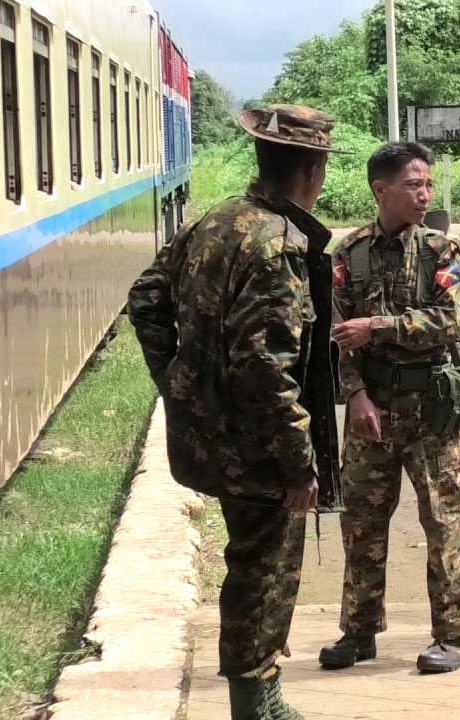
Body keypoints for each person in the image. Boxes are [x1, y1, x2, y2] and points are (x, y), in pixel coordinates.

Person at [126, 104, 341, 720]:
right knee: (264, 570)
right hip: (259, 449)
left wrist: (181, 385)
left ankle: (263, 695)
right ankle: (256, 703)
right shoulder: (276, 245)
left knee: (251, 561)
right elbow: (265, 368)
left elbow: (145, 299)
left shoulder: (217, 220)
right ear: (313, 168)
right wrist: (300, 460)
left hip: (214, 439)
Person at [319, 141, 460, 674]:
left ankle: (453, 637)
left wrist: (381, 327)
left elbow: (450, 321)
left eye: (428, 184)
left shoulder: (440, 252)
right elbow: (334, 334)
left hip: (429, 407)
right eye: (414, 185)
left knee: (444, 520)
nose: (425, 194)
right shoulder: (348, 255)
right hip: (370, 409)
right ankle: (359, 632)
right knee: (361, 524)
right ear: (380, 190)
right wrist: (356, 396)